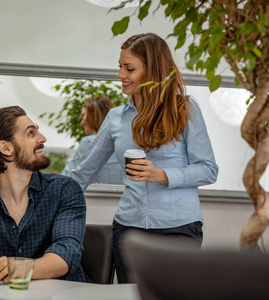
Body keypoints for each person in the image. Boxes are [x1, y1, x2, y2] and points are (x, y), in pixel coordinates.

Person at [69, 33, 219, 283]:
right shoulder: (116, 118)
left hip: (179, 229)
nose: (120, 75)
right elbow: (83, 172)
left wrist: (161, 175)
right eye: (120, 66)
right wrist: (38, 195)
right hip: (129, 230)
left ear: (153, 71)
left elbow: (208, 169)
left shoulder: (185, 110)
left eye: (129, 68)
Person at [0, 106, 89, 283]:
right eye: (31, 133)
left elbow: (66, 254)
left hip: (66, 294)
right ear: (6, 148)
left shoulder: (64, 190)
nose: (43, 138)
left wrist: (17, 268)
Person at [62, 96, 125, 185]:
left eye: (83, 115)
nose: (81, 123)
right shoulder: (124, 142)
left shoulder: (88, 142)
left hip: (94, 197)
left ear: (94, 116)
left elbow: (67, 176)